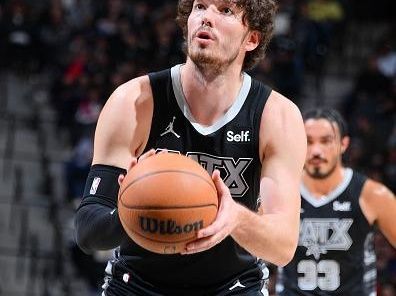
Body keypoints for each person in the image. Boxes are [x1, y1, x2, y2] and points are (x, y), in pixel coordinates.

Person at [74, 0, 307, 295]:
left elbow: (283, 246)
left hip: (233, 287)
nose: (207, 17)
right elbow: (87, 232)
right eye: (200, 6)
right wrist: (135, 206)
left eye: (225, 10)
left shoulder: (277, 117)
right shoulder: (133, 102)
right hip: (137, 284)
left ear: (252, 38)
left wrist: (234, 217)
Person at [276, 108, 396, 296]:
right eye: (308, 141)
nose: (316, 150)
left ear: (343, 144)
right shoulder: (279, 191)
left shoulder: (372, 195)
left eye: (326, 141)